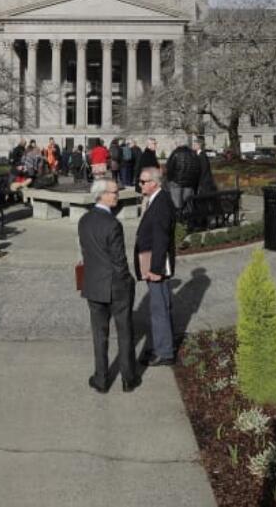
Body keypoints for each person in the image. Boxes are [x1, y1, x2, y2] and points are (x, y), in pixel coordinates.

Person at [77, 178, 139, 393]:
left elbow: (85, 254)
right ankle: (128, 378)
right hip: (116, 286)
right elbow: (119, 261)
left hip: (93, 285)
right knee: (125, 331)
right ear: (101, 194)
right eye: (114, 192)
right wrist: (128, 281)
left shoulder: (83, 221)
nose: (117, 195)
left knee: (99, 335)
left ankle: (101, 380)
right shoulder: (113, 224)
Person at [134, 166, 176, 367]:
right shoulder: (157, 200)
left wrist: (156, 269)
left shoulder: (160, 204)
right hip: (152, 260)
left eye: (143, 181)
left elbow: (161, 239)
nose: (140, 184)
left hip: (156, 263)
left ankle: (164, 351)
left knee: (159, 308)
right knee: (158, 306)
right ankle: (162, 344)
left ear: (154, 183)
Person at [165, 142, 201, 215]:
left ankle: (178, 219)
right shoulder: (193, 154)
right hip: (189, 183)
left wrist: (170, 179)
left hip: (176, 182)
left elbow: (169, 167)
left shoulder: (175, 153)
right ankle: (186, 219)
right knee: (187, 204)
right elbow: (198, 168)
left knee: (177, 204)